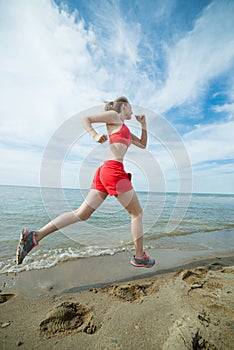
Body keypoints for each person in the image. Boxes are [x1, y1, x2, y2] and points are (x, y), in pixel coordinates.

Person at [16, 97, 155, 268]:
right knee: (137, 214)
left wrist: (144, 125)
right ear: (124, 106)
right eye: (131, 108)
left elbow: (142, 144)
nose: (132, 112)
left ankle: (35, 236)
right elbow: (85, 119)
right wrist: (95, 135)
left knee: (81, 214)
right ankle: (139, 256)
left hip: (105, 172)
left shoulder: (124, 128)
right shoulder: (114, 116)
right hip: (113, 170)